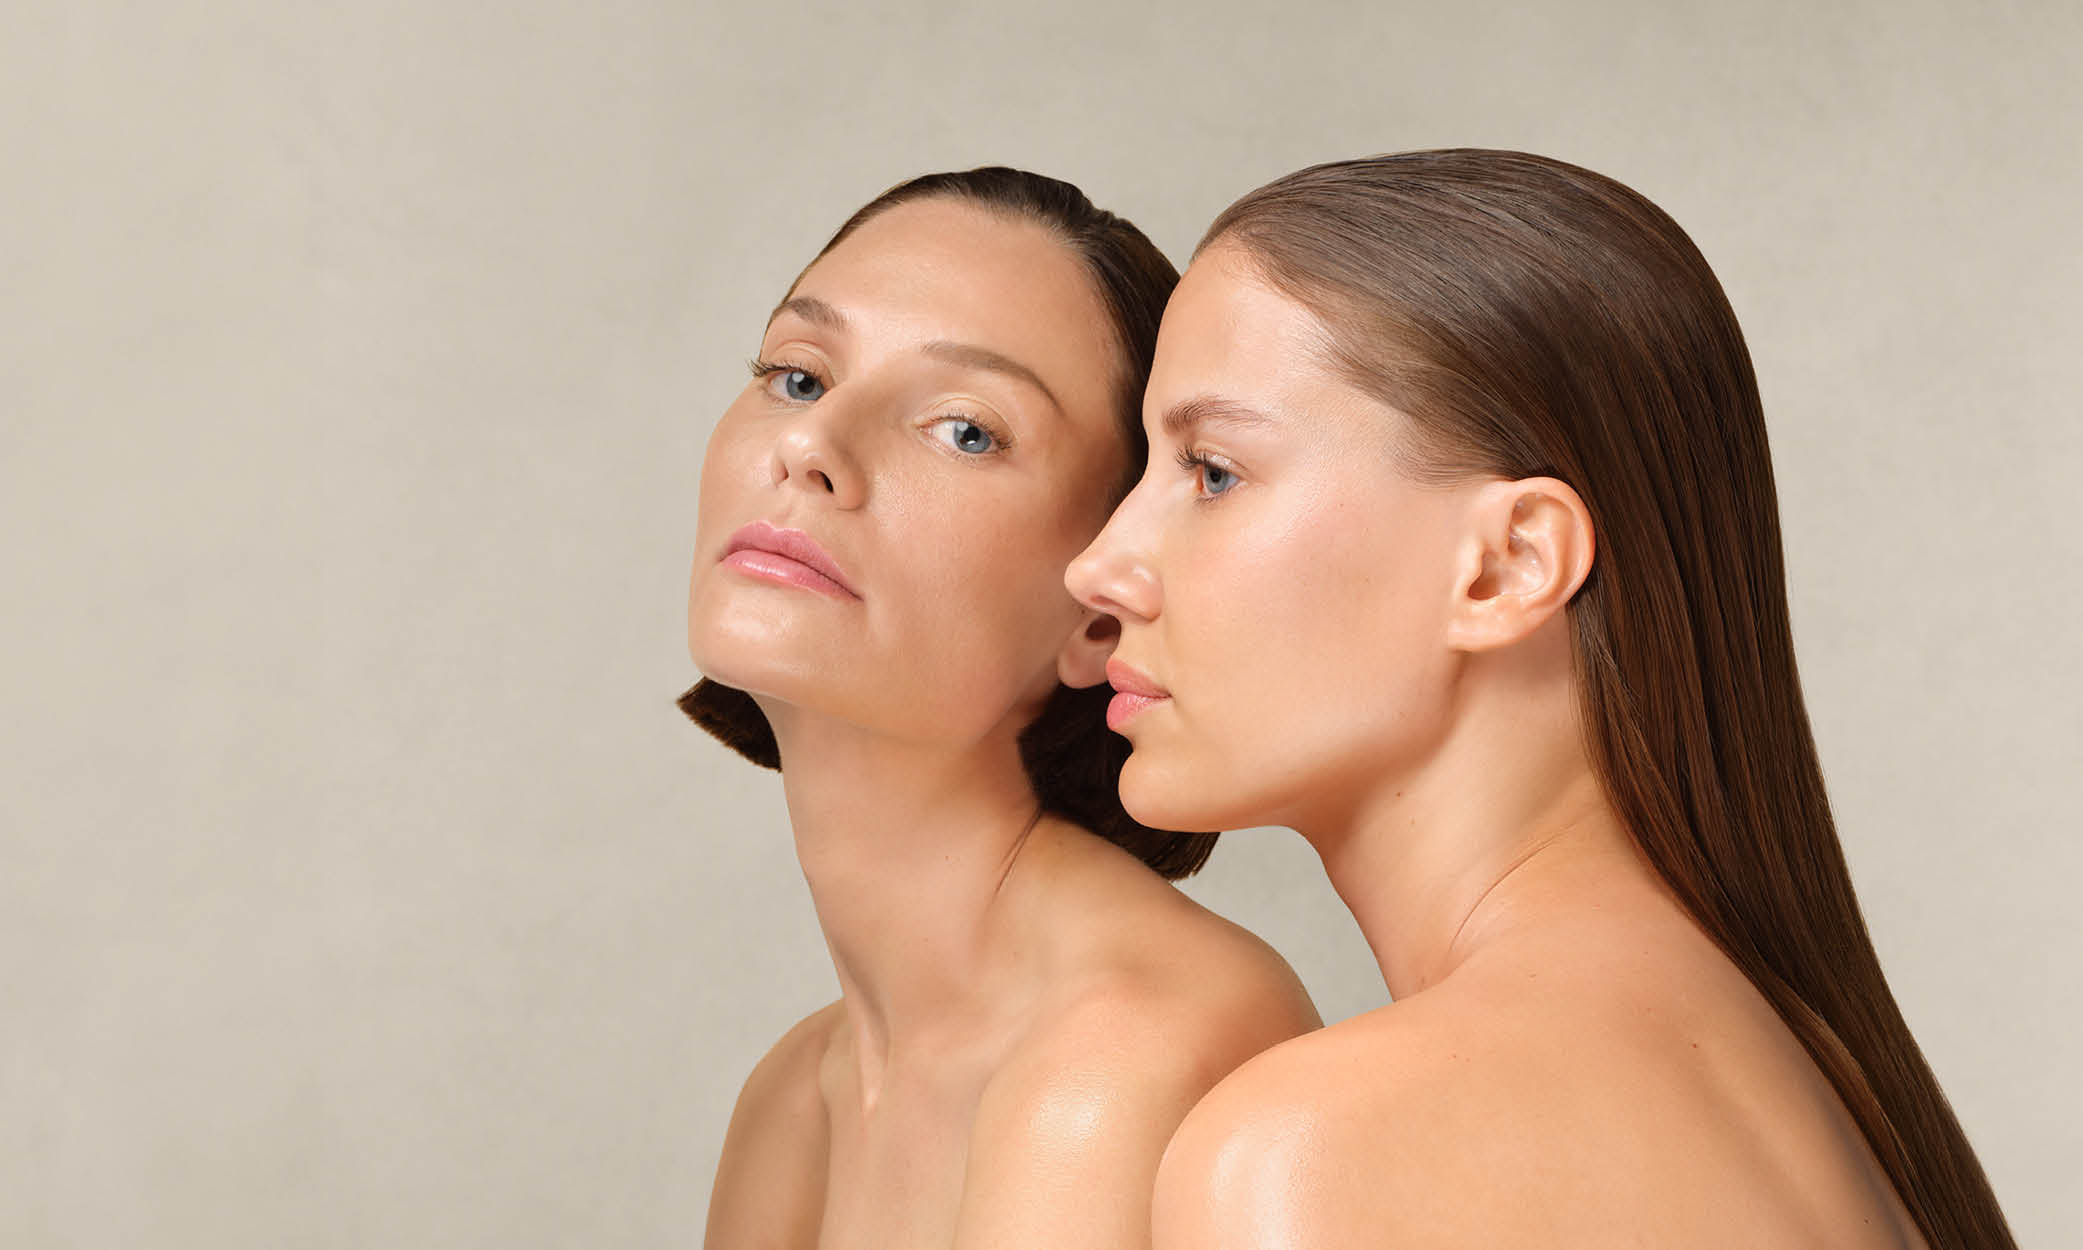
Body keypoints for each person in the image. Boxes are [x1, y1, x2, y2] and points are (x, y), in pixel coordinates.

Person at [1069, 149, 2015, 1249]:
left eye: (1212, 471)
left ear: (1507, 565)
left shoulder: (1327, 1151)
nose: (1099, 566)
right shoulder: (1806, 1092)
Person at [685, 167, 1320, 1249]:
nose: (812, 444)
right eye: (797, 376)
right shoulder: (793, 1098)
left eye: (966, 430)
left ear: (1100, 612)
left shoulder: (1133, 1050)